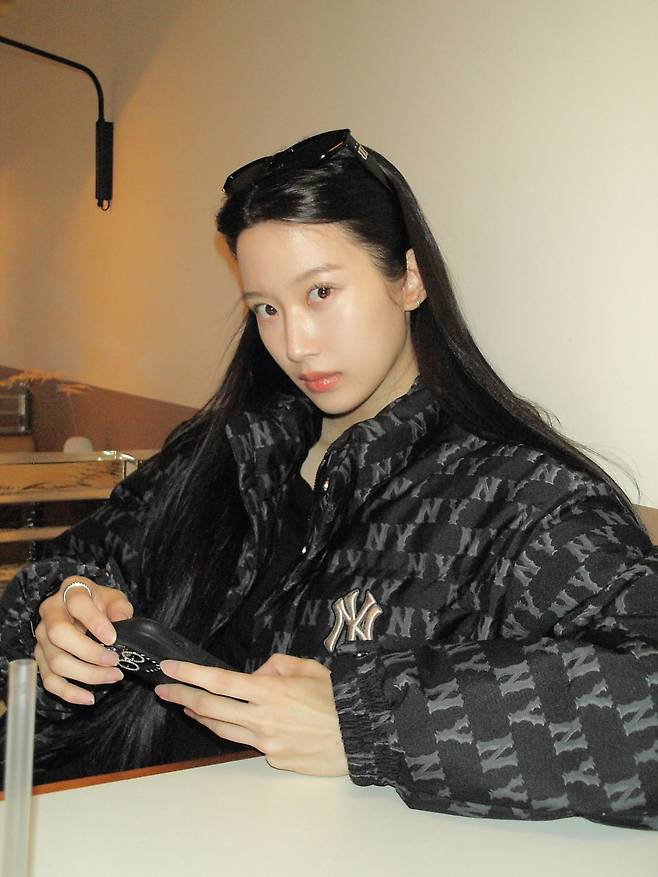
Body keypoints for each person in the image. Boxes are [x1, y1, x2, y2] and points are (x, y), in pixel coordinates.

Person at [1, 130, 656, 829]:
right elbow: (65, 566)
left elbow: (642, 705)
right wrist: (64, 606)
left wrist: (369, 720)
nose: (295, 344)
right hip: (109, 823)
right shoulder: (230, 449)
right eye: (267, 308)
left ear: (409, 278)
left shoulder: (520, 499)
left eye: (320, 292)